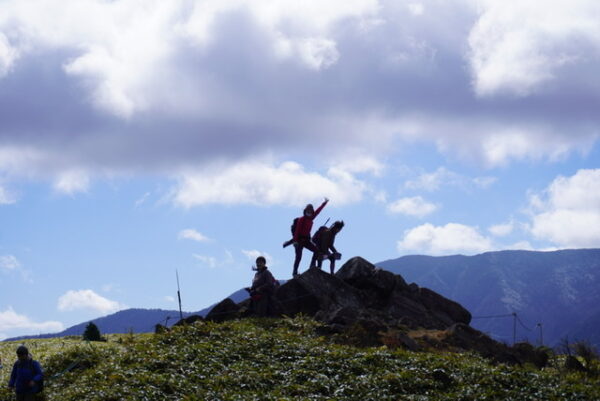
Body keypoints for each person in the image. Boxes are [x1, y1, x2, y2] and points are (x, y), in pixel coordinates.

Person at [289, 198, 329, 276]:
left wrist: (324, 203)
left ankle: (312, 266)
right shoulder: (301, 219)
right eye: (308, 210)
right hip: (299, 240)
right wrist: (295, 241)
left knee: (316, 251)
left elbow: (318, 211)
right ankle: (295, 272)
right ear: (305, 211)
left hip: (306, 240)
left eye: (310, 211)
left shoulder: (311, 218)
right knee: (298, 257)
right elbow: (297, 230)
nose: (309, 212)